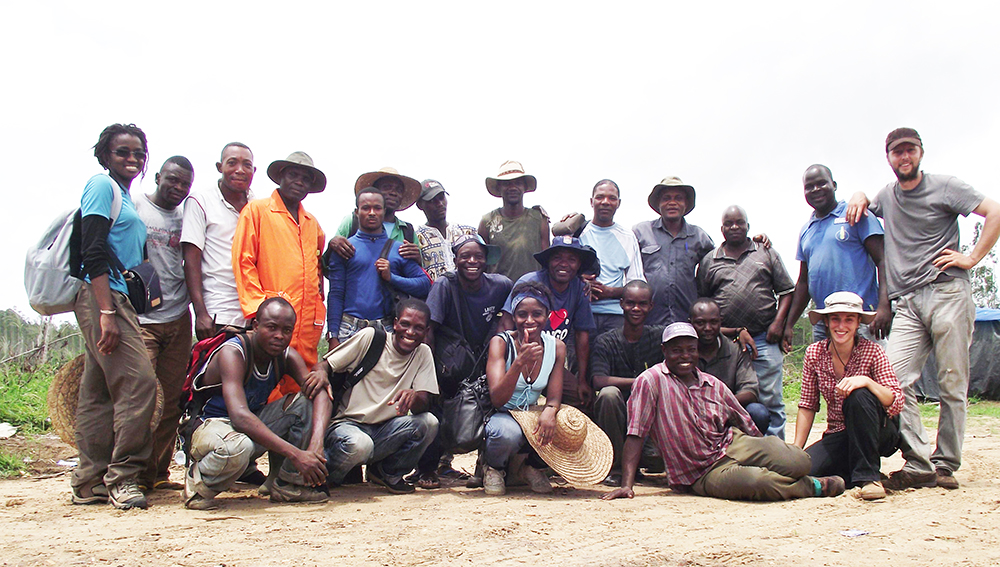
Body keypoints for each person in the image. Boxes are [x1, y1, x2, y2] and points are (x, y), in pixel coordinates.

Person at [845, 127, 1000, 491]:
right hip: (908, 303)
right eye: (896, 152)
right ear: (888, 158)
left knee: (951, 381)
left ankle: (945, 463)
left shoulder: (946, 187)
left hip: (948, 291)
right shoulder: (888, 195)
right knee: (892, 380)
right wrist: (858, 193)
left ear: (920, 153)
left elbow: (993, 211)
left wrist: (973, 257)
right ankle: (919, 462)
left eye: (909, 150)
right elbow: (868, 200)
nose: (904, 157)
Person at [601, 323, 845, 502]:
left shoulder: (712, 383)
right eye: (676, 350)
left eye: (690, 349)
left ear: (697, 351)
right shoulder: (651, 380)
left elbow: (745, 421)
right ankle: (812, 486)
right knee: (759, 482)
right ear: (664, 351)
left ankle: (794, 471)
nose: (684, 356)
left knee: (798, 459)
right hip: (701, 471)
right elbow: (636, 434)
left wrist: (766, 451)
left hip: (732, 444)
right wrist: (627, 484)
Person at [71, 123, 158, 509]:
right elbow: (92, 248)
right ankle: (123, 476)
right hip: (103, 297)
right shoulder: (101, 187)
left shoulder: (122, 195)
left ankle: (89, 479)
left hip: (111, 296)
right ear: (106, 155)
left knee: (98, 390)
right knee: (140, 384)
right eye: (123, 152)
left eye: (138, 153)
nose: (132, 159)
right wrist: (107, 310)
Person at [183, 297, 332, 509]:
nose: (279, 336)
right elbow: (240, 417)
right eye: (271, 328)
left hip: (246, 426)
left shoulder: (287, 356)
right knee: (237, 447)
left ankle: (287, 484)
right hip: (212, 425)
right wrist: (297, 454)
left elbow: (321, 394)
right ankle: (198, 485)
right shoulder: (233, 352)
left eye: (286, 330)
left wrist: (316, 445)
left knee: (306, 402)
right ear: (255, 326)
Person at [415, 234, 512, 487]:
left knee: (486, 410)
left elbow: (520, 300)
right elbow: (429, 329)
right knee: (438, 410)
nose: (472, 261)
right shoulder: (445, 285)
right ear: (455, 260)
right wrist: (429, 371)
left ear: (486, 261)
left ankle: (486, 466)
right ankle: (428, 468)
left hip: (482, 360)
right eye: (465, 256)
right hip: (450, 363)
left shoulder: (500, 285)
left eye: (478, 256)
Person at [232, 151, 327, 397]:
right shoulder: (257, 211)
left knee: (301, 388)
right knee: (265, 383)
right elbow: (244, 262)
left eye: (305, 178)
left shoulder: (312, 224)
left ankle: (297, 435)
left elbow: (317, 271)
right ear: (281, 177)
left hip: (306, 324)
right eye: (293, 175)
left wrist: (318, 306)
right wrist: (261, 310)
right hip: (273, 322)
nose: (299, 181)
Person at [321, 299, 440, 494]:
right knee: (360, 445)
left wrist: (414, 396)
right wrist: (319, 372)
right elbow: (328, 364)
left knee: (429, 423)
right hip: (349, 424)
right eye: (405, 324)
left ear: (426, 332)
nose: (410, 332)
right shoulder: (371, 337)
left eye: (418, 328)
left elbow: (423, 403)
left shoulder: (423, 353)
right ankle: (327, 476)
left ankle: (387, 472)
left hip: (386, 429)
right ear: (395, 323)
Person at [793, 292, 904, 501]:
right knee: (806, 470)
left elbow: (896, 401)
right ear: (826, 322)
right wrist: (796, 451)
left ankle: (869, 477)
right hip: (840, 433)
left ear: (858, 322)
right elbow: (808, 404)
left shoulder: (874, 351)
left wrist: (867, 381)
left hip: (879, 432)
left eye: (848, 319)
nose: (841, 326)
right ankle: (852, 476)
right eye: (835, 319)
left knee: (859, 395)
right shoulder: (814, 353)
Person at [697, 205, 794, 438]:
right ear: (721, 229)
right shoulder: (710, 260)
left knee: (770, 399)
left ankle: (776, 453)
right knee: (725, 397)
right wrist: (730, 331)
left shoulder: (765, 252)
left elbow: (787, 291)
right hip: (725, 342)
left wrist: (779, 324)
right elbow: (703, 303)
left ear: (748, 226)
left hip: (764, 337)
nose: (734, 227)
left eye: (739, 222)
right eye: (729, 224)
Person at [135, 156, 194, 492]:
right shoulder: (137, 208)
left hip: (177, 315)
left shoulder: (188, 215)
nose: (178, 188)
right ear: (158, 177)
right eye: (172, 180)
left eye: (184, 184)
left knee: (171, 399)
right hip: (143, 317)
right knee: (143, 397)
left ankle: (156, 472)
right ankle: (131, 473)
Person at [783, 164, 890, 347]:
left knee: (870, 374)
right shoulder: (807, 230)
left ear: (834, 185)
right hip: (825, 322)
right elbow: (803, 282)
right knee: (828, 375)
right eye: (809, 186)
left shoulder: (855, 213)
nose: (816, 189)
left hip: (861, 318)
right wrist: (789, 324)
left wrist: (884, 306)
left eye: (821, 183)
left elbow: (883, 260)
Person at [483, 281, 567, 496]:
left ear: (547, 315)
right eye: (522, 314)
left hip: (530, 411)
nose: (529, 321)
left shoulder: (556, 347)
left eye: (537, 314)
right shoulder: (500, 343)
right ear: (513, 316)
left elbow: (554, 397)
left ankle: (531, 467)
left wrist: (549, 411)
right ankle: (494, 467)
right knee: (506, 433)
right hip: (504, 413)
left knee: (566, 424)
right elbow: (497, 399)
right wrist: (519, 363)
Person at [325, 187, 431, 350]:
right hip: (348, 329)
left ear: (384, 211)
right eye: (366, 208)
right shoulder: (345, 248)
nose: (372, 213)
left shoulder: (399, 249)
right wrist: (333, 334)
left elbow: (425, 285)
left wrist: (392, 278)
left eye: (377, 208)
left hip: (385, 328)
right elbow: (336, 293)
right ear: (356, 212)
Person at [501, 236, 597, 408]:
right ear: (548, 262)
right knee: (508, 399)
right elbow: (505, 323)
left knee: (579, 397)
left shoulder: (579, 288)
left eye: (572, 259)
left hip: (551, 360)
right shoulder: (529, 282)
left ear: (579, 266)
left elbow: (582, 335)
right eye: (557, 258)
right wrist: (501, 360)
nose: (564, 264)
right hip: (519, 357)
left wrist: (582, 379)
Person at [591, 280, 666, 486]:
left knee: (657, 461)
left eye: (642, 304)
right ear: (621, 304)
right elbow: (599, 380)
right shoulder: (605, 341)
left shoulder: (660, 336)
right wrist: (643, 381)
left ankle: (647, 460)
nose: (636, 309)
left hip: (649, 418)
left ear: (651, 306)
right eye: (630, 303)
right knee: (608, 394)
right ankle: (614, 468)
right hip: (617, 418)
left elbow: (695, 333)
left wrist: (737, 332)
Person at [182, 142, 255, 340]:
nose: (240, 170)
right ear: (219, 167)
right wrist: (201, 313)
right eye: (232, 163)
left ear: (253, 170)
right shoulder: (200, 201)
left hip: (253, 313)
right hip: (218, 312)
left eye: (246, 165)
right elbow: (191, 261)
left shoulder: (257, 206)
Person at [632, 176, 715, 326]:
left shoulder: (699, 236)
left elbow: (720, 263)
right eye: (666, 198)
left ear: (686, 204)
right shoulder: (640, 232)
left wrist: (757, 242)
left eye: (678, 198)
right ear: (658, 204)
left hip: (686, 320)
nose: (672, 203)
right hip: (647, 320)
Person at [689, 297, 769, 435]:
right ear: (691, 324)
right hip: (692, 412)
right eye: (700, 323)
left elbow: (750, 390)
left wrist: (719, 403)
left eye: (713, 322)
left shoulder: (736, 350)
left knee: (758, 412)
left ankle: (749, 454)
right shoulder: (684, 352)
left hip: (729, 412)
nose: (707, 328)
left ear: (720, 322)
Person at [578, 180, 646, 338]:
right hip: (581, 313)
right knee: (579, 363)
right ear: (591, 201)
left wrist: (609, 292)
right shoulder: (578, 233)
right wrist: (581, 282)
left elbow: (638, 285)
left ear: (619, 203)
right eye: (600, 197)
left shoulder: (628, 237)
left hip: (615, 317)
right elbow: (562, 271)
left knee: (613, 362)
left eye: (612, 198)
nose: (605, 202)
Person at [326, 167, 423, 263]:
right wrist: (332, 245)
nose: (394, 193)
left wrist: (417, 259)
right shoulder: (353, 222)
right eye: (387, 187)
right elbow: (329, 266)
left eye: (399, 190)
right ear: (374, 192)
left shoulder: (407, 230)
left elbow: (419, 274)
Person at [479, 160, 550, 283]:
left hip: (532, 292)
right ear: (499, 188)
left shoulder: (539, 219)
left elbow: (546, 262)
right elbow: (481, 263)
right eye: (507, 184)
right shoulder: (487, 221)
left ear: (524, 187)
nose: (513, 188)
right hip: (498, 293)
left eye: (517, 183)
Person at [414, 179, 478, 281]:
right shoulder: (416, 238)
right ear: (420, 205)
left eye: (441, 198)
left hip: (467, 294)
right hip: (434, 294)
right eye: (432, 201)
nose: (439, 204)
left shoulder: (467, 232)